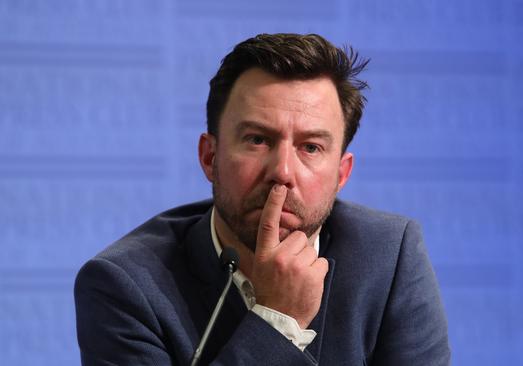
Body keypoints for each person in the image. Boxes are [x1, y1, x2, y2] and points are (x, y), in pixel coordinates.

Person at [74, 33, 450, 365]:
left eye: (311, 147)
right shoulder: (124, 285)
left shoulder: (389, 257)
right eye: (257, 139)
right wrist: (277, 319)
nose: (282, 172)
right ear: (210, 157)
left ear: (341, 174)